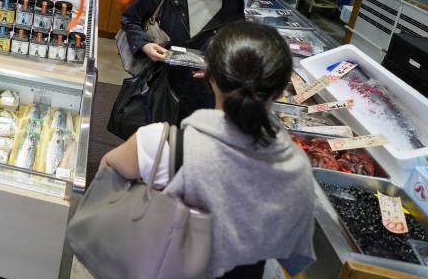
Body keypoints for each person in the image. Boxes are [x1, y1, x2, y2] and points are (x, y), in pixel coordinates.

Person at [102, 22, 316, 279]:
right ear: (282, 90)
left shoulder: (163, 144)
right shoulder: (297, 167)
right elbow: (293, 257)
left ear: (209, 75)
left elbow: (108, 171)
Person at [120, 0, 246, 119]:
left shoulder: (232, 0)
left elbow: (237, 44)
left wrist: (219, 68)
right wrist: (144, 45)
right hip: (158, 87)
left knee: (191, 145)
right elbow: (130, 19)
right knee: (155, 140)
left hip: (203, 97)